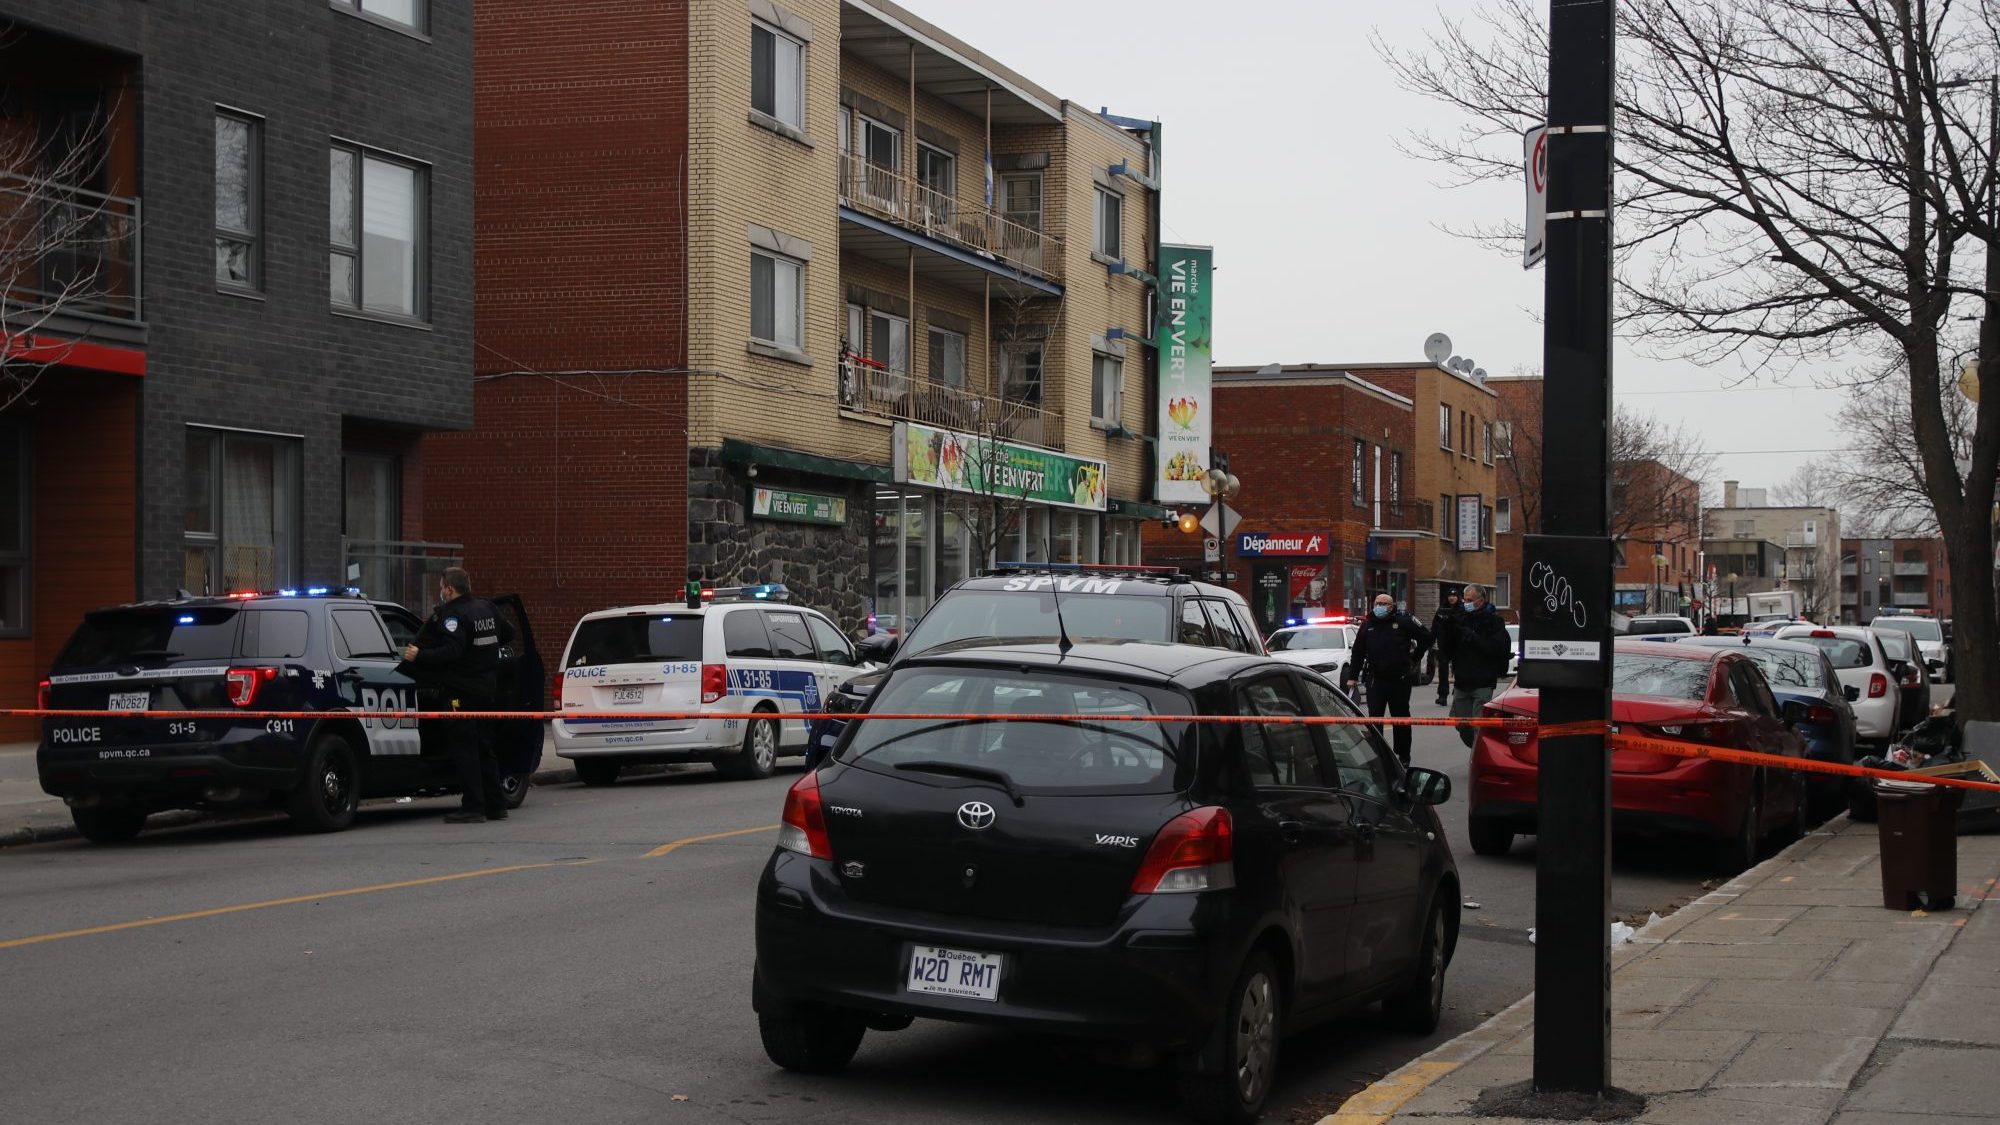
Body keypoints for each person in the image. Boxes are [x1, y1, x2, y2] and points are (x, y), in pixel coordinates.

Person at [401, 567, 516, 823]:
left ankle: (473, 806)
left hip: (461, 692)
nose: (441, 592)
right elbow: (509, 633)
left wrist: (419, 655)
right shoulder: (487, 608)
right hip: (487, 689)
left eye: (442, 587)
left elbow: (451, 651)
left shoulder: (452, 615)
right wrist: (484, 654)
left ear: (450, 589)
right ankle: (496, 805)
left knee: (465, 749)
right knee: (484, 746)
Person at [1344, 593, 1432, 767]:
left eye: (1384, 604)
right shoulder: (1368, 625)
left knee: (1400, 718)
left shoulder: (1403, 621)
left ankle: (1403, 755)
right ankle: (1379, 756)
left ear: (1392, 607)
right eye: (1378, 603)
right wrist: (1352, 677)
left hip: (1399, 679)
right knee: (1374, 719)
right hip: (1376, 679)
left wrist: (1414, 658)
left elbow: (1426, 638)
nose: (1380, 607)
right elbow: (1358, 652)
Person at [1446, 584, 1512, 748]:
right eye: (1464, 600)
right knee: (1462, 724)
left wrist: (1473, 637)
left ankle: (1477, 757)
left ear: (1481, 601)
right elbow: (1448, 647)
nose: (1466, 603)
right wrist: (1446, 627)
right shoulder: (1460, 617)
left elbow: (1494, 648)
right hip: (1462, 680)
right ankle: (1475, 748)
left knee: (1479, 725)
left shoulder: (1493, 620)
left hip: (1483, 680)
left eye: (1470, 600)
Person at [1429, 589, 1464, 705]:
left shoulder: (1462, 609)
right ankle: (1442, 695)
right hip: (1444, 645)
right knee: (1443, 670)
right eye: (1450, 595)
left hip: (1458, 645)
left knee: (1458, 670)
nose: (1452, 598)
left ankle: (1459, 692)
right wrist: (1431, 641)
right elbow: (1435, 626)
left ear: (1458, 597)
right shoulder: (1441, 609)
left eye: (1454, 595)